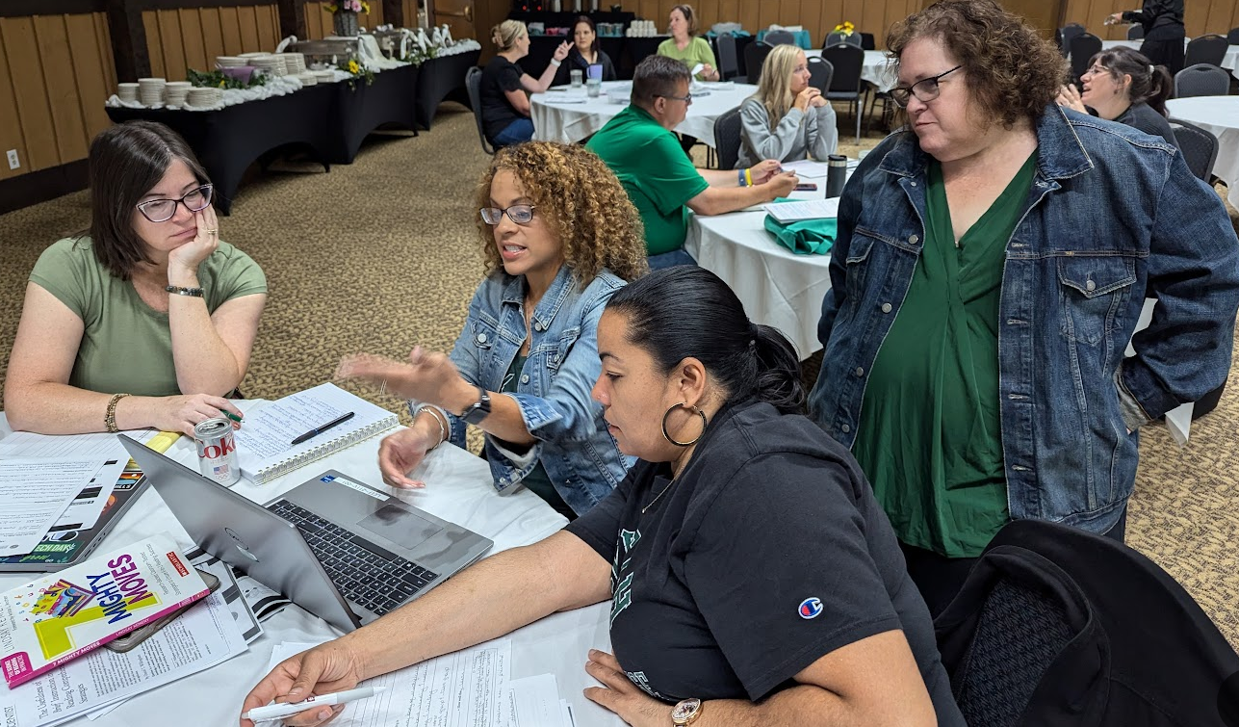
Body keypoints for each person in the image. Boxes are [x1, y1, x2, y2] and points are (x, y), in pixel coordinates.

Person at [240, 268, 965, 727]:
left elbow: (891, 716)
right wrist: (353, 657)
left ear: (686, 381)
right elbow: (546, 570)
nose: (596, 392)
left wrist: (688, 718)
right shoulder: (674, 454)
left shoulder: (767, 488)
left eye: (613, 373)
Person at [807, 0, 1239, 617]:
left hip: (1036, 495)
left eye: (929, 85)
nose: (910, 107)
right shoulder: (887, 170)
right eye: (905, 91)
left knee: (1007, 680)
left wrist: (1135, 396)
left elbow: (1213, 274)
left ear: (994, 74)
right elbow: (845, 293)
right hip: (875, 481)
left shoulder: (1120, 166)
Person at [335, 141, 647, 519]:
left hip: (586, 504)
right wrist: (422, 431)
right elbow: (458, 379)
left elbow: (566, 417)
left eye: (522, 211)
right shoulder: (496, 290)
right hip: (507, 484)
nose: (503, 227)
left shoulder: (605, 302)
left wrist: (463, 398)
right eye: (496, 213)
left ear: (571, 216)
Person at [4, 121, 267, 438]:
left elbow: (207, 387)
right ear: (118, 211)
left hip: (200, 443)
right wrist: (156, 411)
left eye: (193, 194)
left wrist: (184, 273)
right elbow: (25, 402)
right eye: (157, 204)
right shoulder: (69, 265)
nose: (184, 214)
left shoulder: (237, 272)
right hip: (96, 443)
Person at [588, 56, 798, 269]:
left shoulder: (626, 123)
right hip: (640, 266)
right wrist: (770, 191)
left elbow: (687, 176)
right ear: (661, 103)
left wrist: (748, 176)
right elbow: (708, 203)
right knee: (733, 267)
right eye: (686, 97)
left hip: (609, 258)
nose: (690, 103)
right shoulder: (654, 139)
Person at [737, 44, 839, 168]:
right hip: (755, 181)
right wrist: (796, 112)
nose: (808, 74)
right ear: (780, 76)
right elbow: (770, 157)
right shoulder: (753, 107)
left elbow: (824, 154)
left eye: (806, 67)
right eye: (799, 69)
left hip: (793, 176)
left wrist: (824, 111)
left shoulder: (807, 106)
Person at [1056, 45, 1177, 148]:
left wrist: (1085, 124)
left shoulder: (1142, 127)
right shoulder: (1093, 112)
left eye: (1096, 71)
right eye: (1089, 71)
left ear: (1122, 81)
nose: (1084, 77)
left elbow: (1112, 170)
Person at [480, 20, 571, 147]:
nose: (529, 41)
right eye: (527, 37)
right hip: (503, 129)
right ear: (518, 41)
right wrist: (552, 116)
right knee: (554, 132)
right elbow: (525, 109)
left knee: (555, 128)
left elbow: (539, 87)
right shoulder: (504, 70)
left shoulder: (509, 65)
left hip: (508, 123)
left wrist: (556, 60)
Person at [1106, 0, 1187, 76]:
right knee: (1170, 74)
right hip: (1177, 35)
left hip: (1160, 35)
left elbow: (1148, 15)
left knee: (1142, 70)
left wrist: (1124, 16)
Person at [657, 4, 719, 82]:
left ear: (688, 23)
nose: (672, 24)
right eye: (671, 20)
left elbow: (716, 77)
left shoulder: (701, 44)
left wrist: (709, 75)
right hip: (672, 92)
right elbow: (658, 77)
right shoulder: (663, 47)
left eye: (677, 19)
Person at [553, 15, 617, 86]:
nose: (582, 37)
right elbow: (557, 86)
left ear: (593, 35)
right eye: (577, 33)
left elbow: (612, 84)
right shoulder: (566, 60)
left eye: (586, 32)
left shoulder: (604, 59)